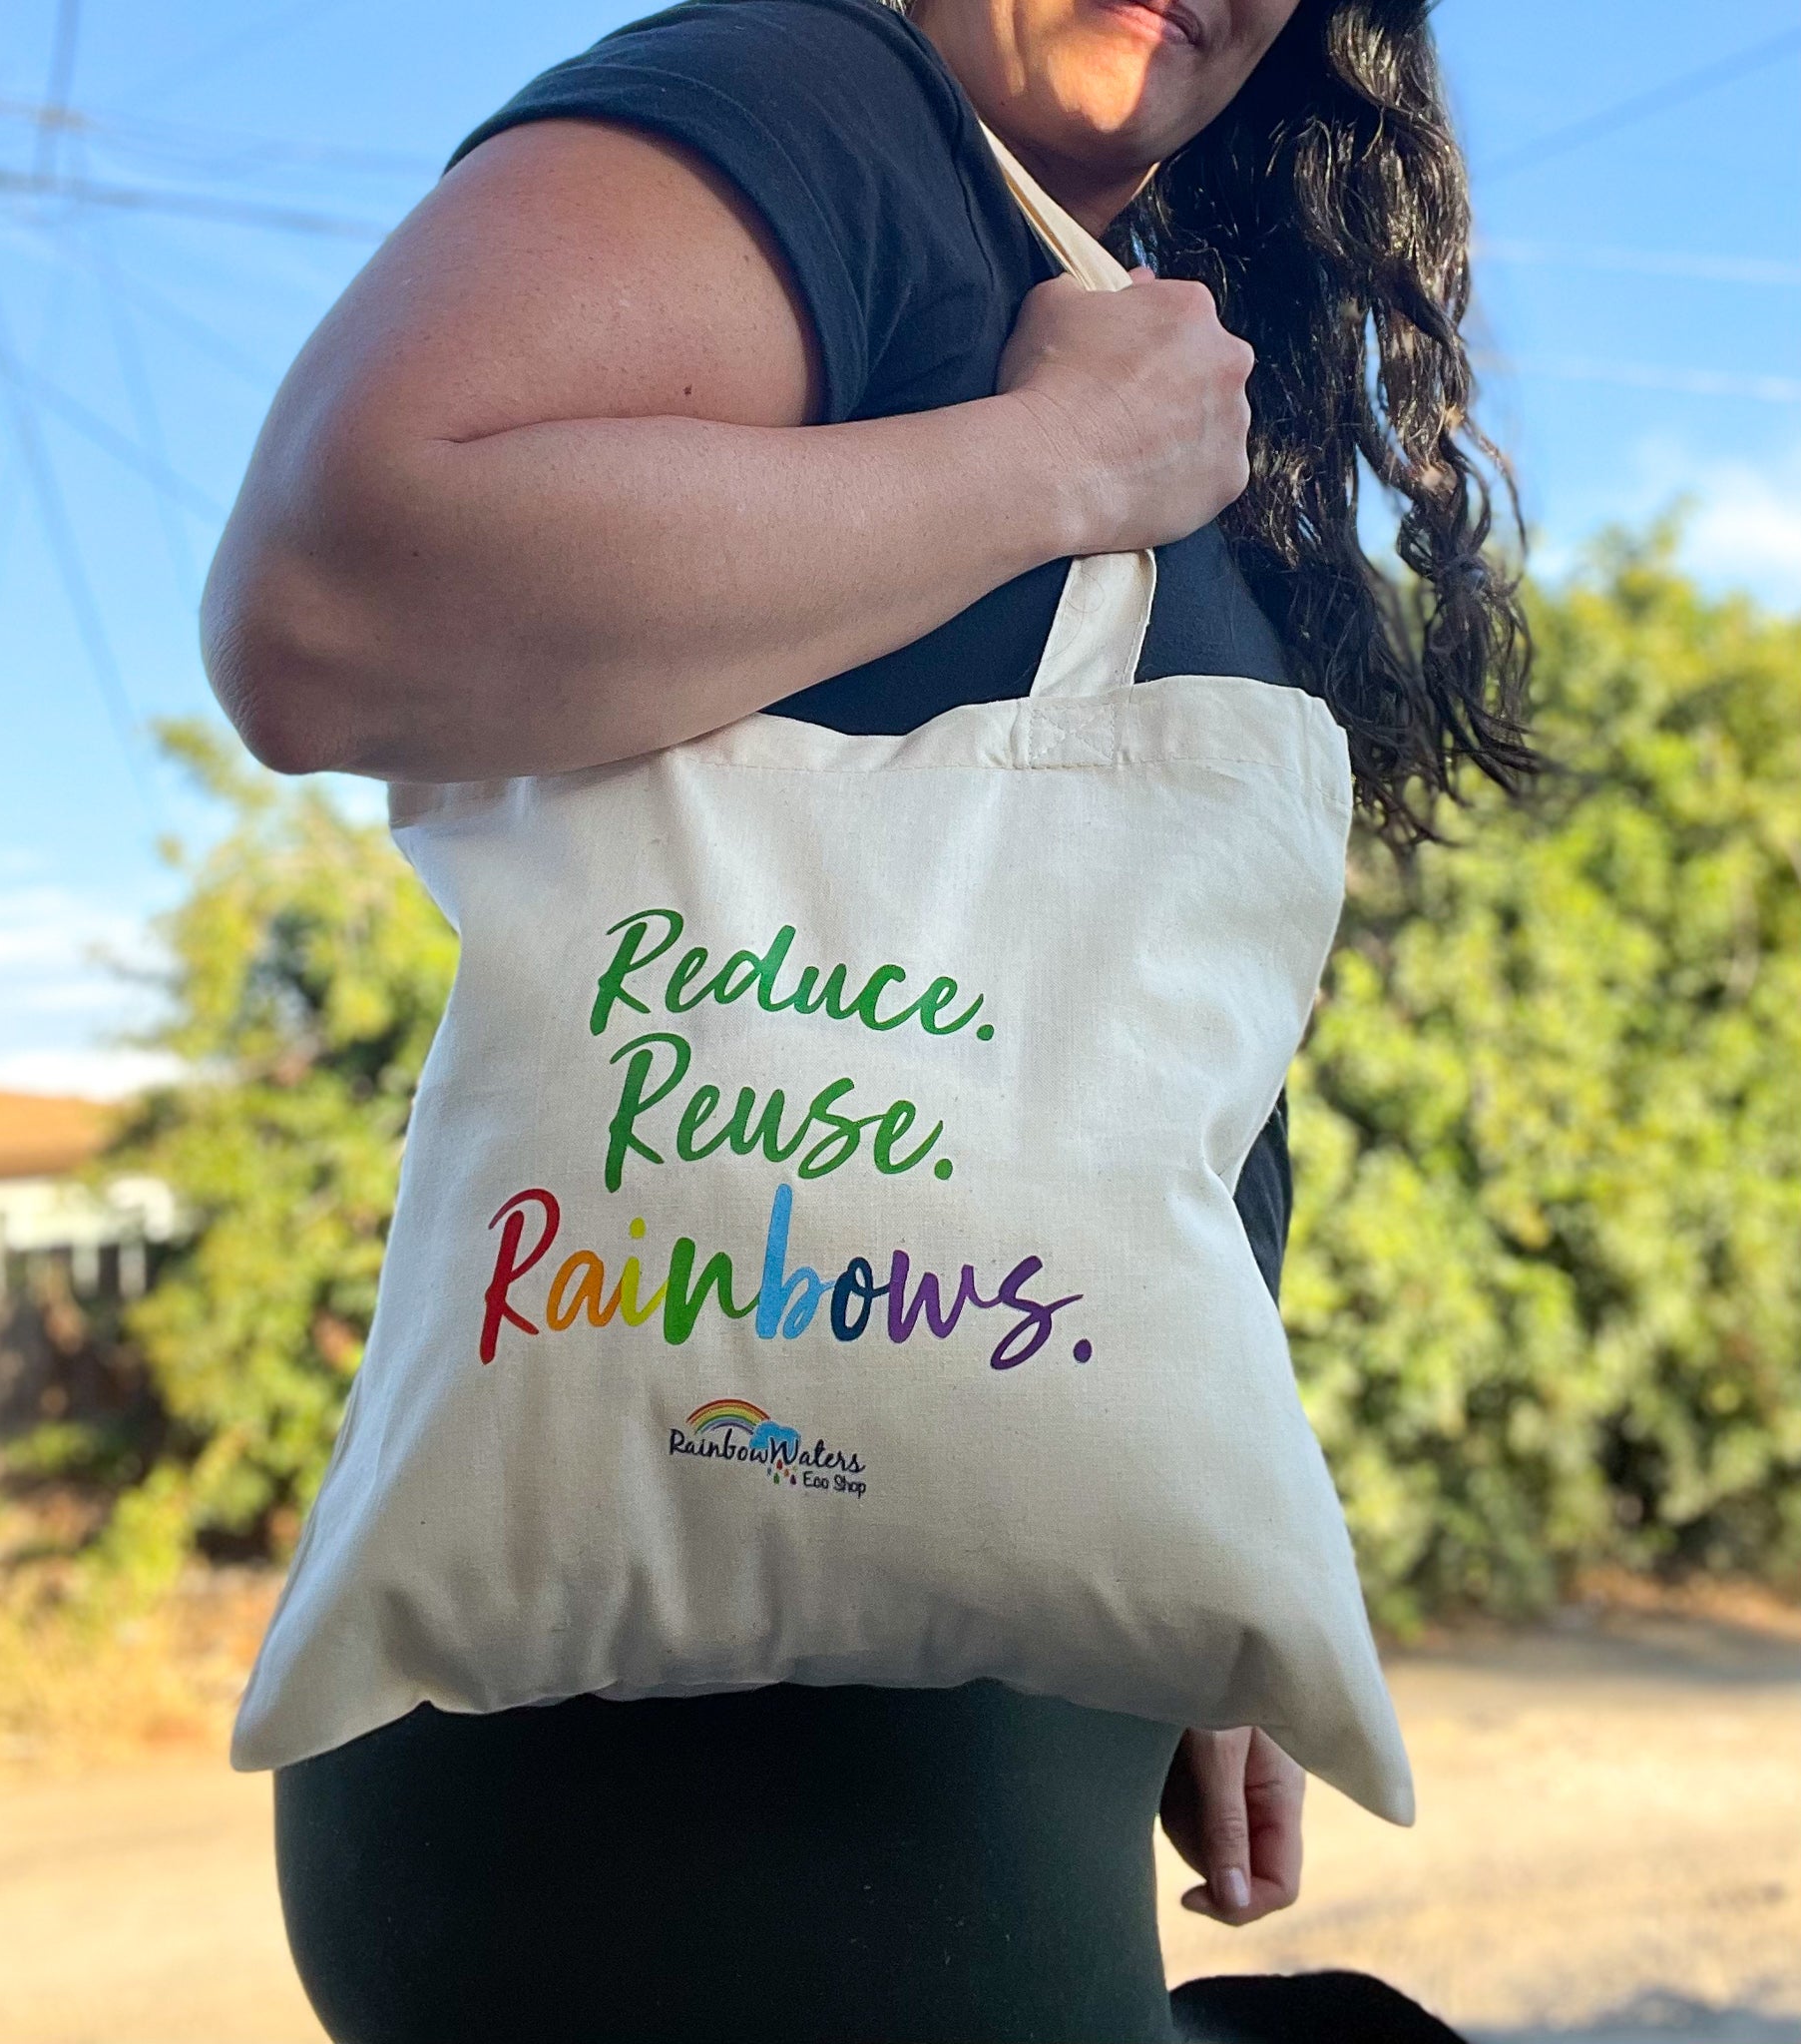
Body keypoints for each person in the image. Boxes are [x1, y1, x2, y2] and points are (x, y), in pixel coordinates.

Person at [204, 1, 1531, 2038]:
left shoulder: (1097, 305)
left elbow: (1100, 1052)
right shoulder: (818, 104)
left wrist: (1181, 1513)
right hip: (708, 1795)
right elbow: (328, 599)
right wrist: (1050, 464)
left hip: (950, 1740)